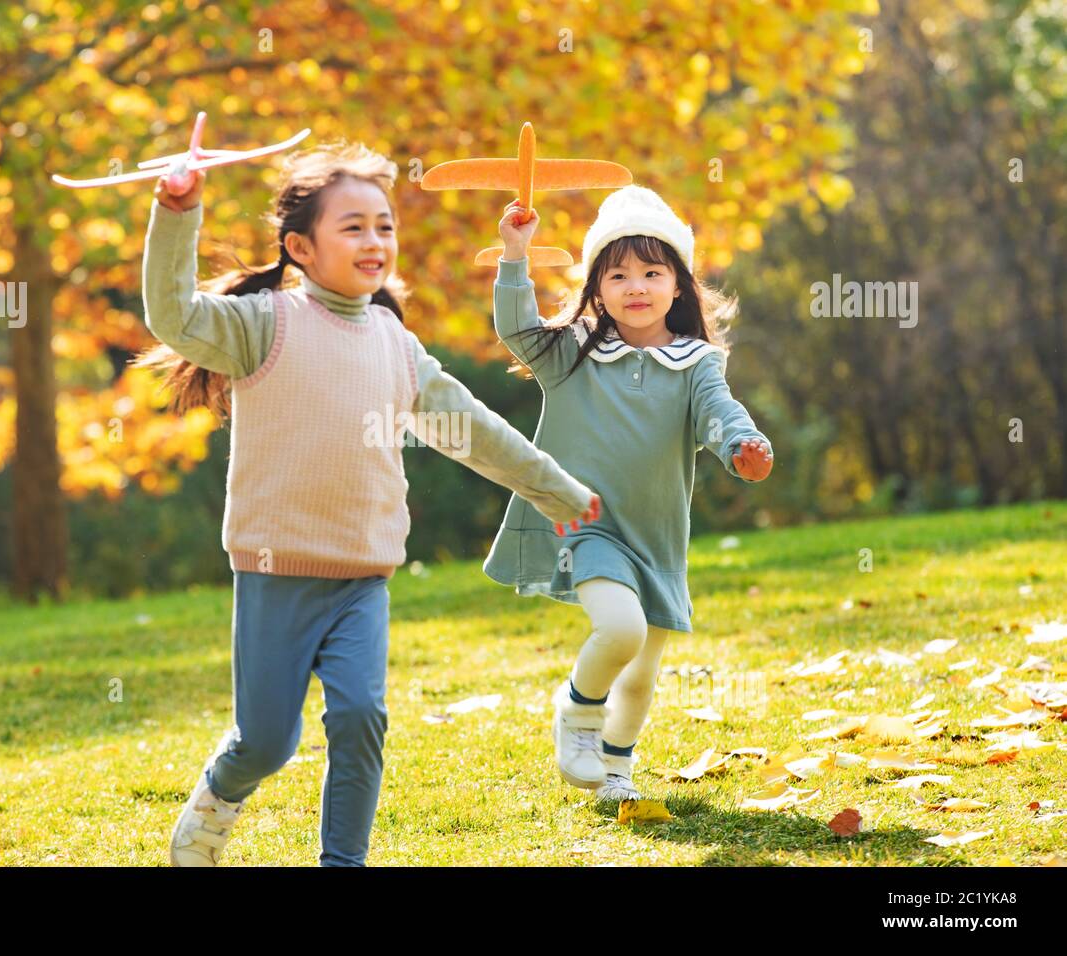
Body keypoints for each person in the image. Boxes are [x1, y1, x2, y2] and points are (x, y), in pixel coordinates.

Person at [137, 140, 600, 865]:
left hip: (362, 577)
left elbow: (471, 428)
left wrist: (557, 491)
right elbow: (172, 314)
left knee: (360, 716)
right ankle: (218, 797)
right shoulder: (263, 324)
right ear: (301, 246)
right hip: (274, 573)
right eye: (352, 226)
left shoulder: (395, 343)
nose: (375, 240)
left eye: (384, 225)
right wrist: (176, 211)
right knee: (266, 741)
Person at [482, 185, 773, 804]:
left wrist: (743, 447)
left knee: (640, 677)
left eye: (651, 271)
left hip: (657, 537)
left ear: (678, 285)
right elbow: (514, 327)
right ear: (596, 288)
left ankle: (616, 768)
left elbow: (720, 414)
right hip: (583, 523)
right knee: (619, 630)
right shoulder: (571, 353)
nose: (635, 286)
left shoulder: (696, 362)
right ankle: (578, 713)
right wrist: (515, 253)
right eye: (617, 275)